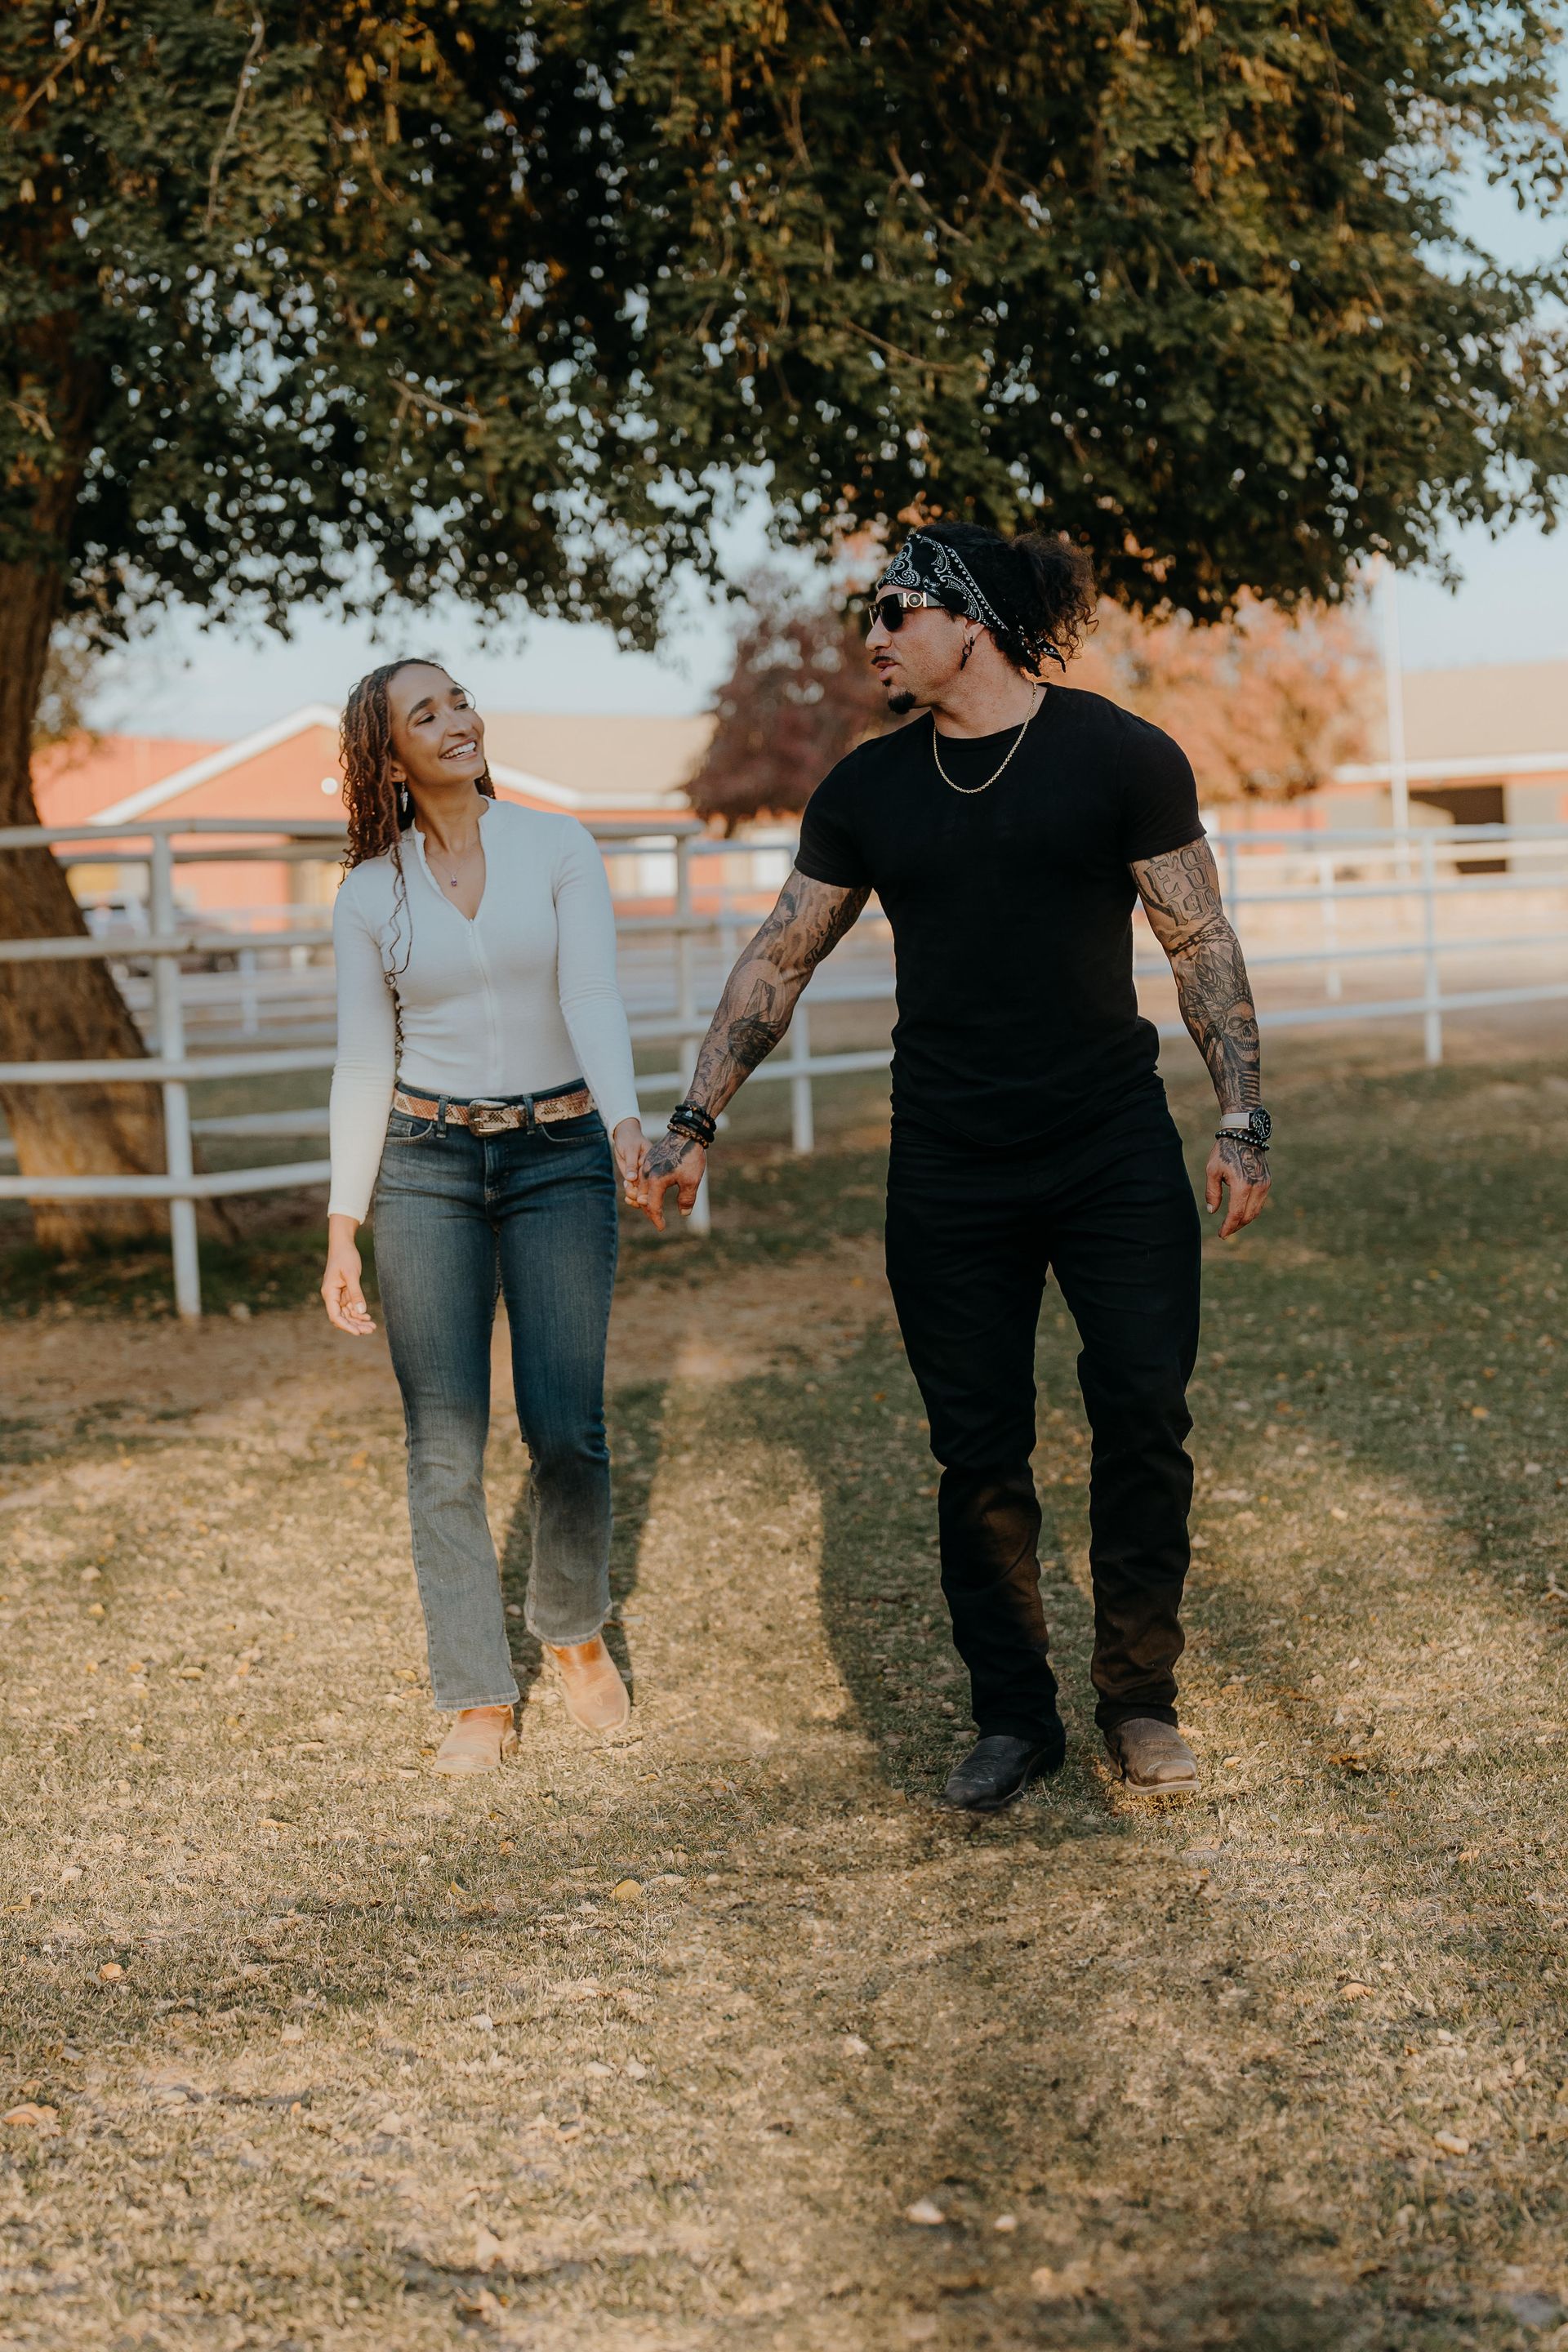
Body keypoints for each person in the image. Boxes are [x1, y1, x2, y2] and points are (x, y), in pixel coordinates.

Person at [636, 524, 1271, 1810]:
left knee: (1144, 1412)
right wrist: (693, 1120)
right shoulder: (870, 791)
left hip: (1109, 1150)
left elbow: (1198, 941)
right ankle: (1013, 1719)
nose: (872, 636)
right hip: (948, 1166)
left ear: (969, 619)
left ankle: (1140, 1704)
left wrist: (1242, 1116)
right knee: (976, 1450)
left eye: (893, 611)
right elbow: (781, 953)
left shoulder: (1120, 756)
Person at [320, 658, 647, 1775]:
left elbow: (592, 994)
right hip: (426, 1163)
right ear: (389, 754)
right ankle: (474, 1692)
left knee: (568, 1429)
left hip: (560, 1156)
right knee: (443, 1449)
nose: (456, 722)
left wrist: (623, 1124)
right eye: (427, 714)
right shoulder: (371, 894)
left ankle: (574, 1630)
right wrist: (340, 1222)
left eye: (458, 701)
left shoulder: (558, 847)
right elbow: (364, 1059)